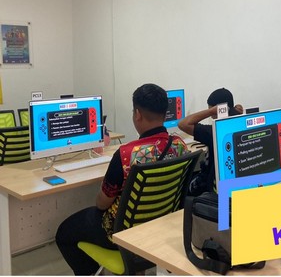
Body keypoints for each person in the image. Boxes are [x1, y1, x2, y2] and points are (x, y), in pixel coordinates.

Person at [55, 83, 188, 275]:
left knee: (64, 232)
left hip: (122, 231)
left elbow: (102, 203)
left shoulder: (126, 154)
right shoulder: (180, 145)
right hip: (160, 224)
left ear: (137, 114)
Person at [178, 87, 243, 195]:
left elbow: (183, 124)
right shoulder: (238, 126)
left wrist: (210, 112)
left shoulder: (214, 132)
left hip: (207, 187)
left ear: (217, 109)